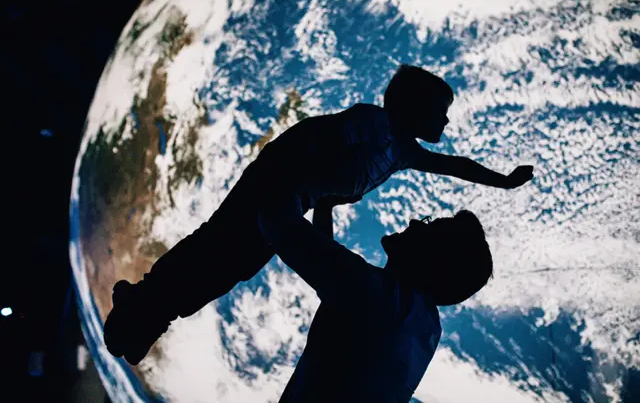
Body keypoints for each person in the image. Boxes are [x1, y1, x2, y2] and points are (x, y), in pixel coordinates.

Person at [104, 64, 533, 365]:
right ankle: (144, 301)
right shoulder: (374, 124)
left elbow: (456, 165)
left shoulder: (403, 153)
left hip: (293, 199)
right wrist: (286, 186)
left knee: (236, 263)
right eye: (441, 109)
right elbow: (314, 138)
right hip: (276, 184)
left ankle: (153, 313)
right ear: (415, 108)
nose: (445, 119)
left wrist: (504, 181)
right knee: (220, 245)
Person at [258, 195, 493, 402]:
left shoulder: (381, 299)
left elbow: (278, 221)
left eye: (429, 226)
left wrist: (303, 183)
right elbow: (333, 274)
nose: (414, 222)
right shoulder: (423, 325)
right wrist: (323, 207)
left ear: (437, 259)